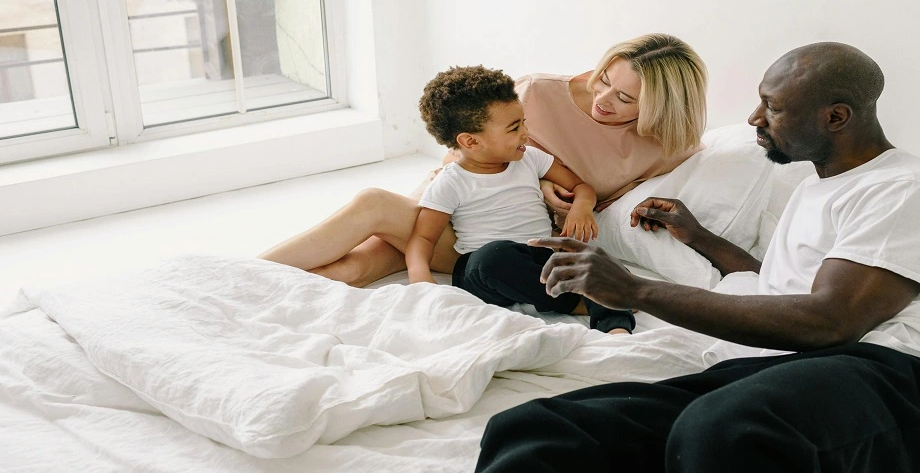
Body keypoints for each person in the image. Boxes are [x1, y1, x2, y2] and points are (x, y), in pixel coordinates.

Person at [475, 42, 920, 473]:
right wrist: (698, 236)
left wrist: (633, 290)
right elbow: (778, 293)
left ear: (836, 117)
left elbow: (831, 320)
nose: (754, 118)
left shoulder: (904, 190)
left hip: (893, 381)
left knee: (721, 431)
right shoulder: (817, 189)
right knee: (535, 430)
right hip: (781, 369)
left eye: (773, 106)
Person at [258, 34, 708, 292]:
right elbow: (463, 150)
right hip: (456, 201)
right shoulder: (536, 91)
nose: (602, 99)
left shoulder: (667, 147)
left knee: (371, 210)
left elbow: (611, 206)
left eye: (625, 98)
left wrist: (559, 196)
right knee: (357, 265)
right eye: (603, 80)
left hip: (504, 236)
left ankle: (238, 276)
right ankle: (246, 283)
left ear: (662, 106)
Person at [403, 65, 633, 333]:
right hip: (485, 268)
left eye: (523, 122)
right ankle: (574, 303)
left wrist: (582, 206)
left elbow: (581, 186)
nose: (525, 133)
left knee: (596, 263)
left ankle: (616, 327)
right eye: (514, 129)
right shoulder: (450, 181)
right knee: (495, 257)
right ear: (471, 141)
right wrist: (421, 280)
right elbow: (423, 239)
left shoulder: (530, 158)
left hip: (540, 258)